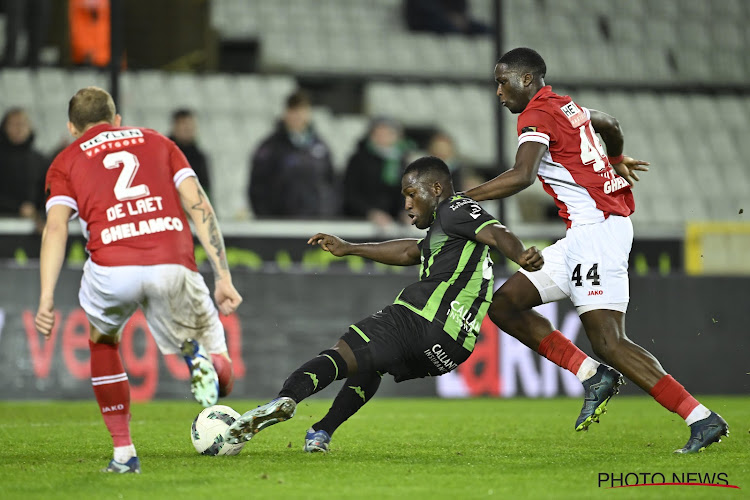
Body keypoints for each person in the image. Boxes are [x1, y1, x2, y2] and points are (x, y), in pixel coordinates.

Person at [464, 47, 728, 454]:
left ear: (527, 80)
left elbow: (522, 175)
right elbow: (611, 122)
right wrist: (617, 157)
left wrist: (460, 199)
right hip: (583, 235)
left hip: (598, 234)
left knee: (609, 341)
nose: (498, 91)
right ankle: (591, 375)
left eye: (503, 81)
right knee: (504, 304)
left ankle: (701, 418)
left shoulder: (534, 115)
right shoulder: (565, 106)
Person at [223, 156, 543, 452]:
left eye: (411, 194)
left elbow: (497, 232)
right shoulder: (447, 233)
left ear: (436, 188)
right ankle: (321, 432)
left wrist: (520, 256)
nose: (406, 204)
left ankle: (286, 399)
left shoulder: (455, 207)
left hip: (422, 317)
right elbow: (408, 252)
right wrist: (350, 248)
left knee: (340, 354)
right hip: (451, 348)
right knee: (371, 365)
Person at [34, 87, 243, 473]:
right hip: (172, 263)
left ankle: (124, 454)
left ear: (71, 127)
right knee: (221, 365)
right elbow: (200, 206)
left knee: (102, 339)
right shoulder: (159, 142)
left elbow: (55, 229)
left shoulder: (65, 160)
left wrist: (46, 297)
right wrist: (223, 277)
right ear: (116, 120)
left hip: (112, 268)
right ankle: (209, 362)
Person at [248, 90, 337, 217]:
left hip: (316, 222)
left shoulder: (321, 148)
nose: (298, 116)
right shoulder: (270, 147)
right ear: (286, 113)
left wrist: (328, 213)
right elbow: (258, 188)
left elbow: (332, 184)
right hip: (281, 223)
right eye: (293, 111)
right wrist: (266, 219)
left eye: (301, 110)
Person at [342, 116, 413, 229]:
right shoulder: (358, 159)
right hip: (361, 221)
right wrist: (370, 212)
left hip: (392, 223)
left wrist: (405, 211)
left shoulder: (401, 161)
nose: (382, 137)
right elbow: (350, 193)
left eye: (387, 133)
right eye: (378, 133)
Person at [0, 108, 48, 223]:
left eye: (22, 124)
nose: (19, 129)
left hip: (33, 227)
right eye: (13, 124)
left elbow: (47, 192)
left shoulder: (40, 160)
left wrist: (39, 214)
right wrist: (17, 208)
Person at [169, 109, 211, 198]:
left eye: (191, 125)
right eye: (184, 124)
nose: (188, 129)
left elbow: (205, 189)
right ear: (175, 126)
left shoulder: (199, 157)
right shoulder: (165, 154)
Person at [404, 0, 492, 36]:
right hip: (425, 22)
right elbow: (422, 7)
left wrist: (460, 17)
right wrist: (448, 17)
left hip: (451, 20)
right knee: (454, 32)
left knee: (487, 30)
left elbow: (460, 6)